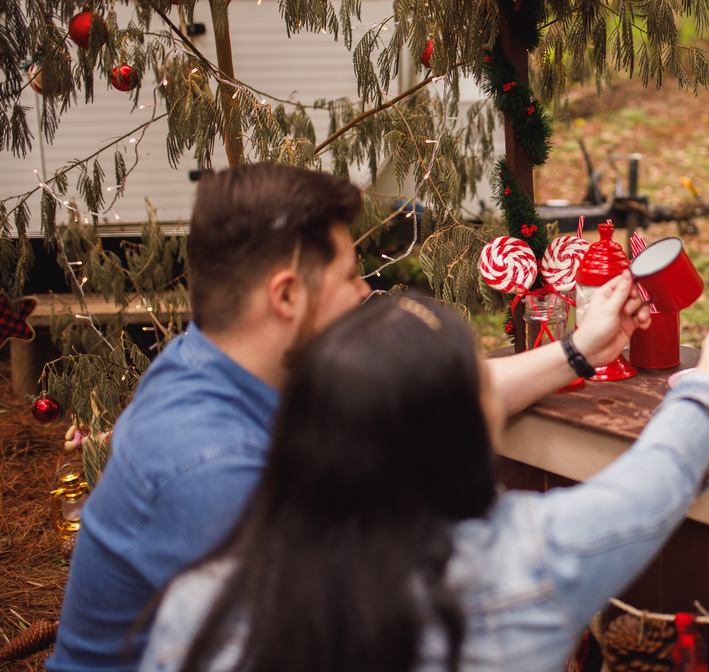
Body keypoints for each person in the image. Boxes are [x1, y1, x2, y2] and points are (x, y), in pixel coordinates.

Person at [48, 163, 651, 672]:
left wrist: (582, 351)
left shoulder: (226, 362)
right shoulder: (215, 468)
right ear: (285, 296)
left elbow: (434, 397)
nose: (365, 292)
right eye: (348, 276)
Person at [138, 299, 709, 672]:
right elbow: (654, 482)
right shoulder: (529, 559)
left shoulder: (198, 604)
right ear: (458, 432)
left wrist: (579, 349)